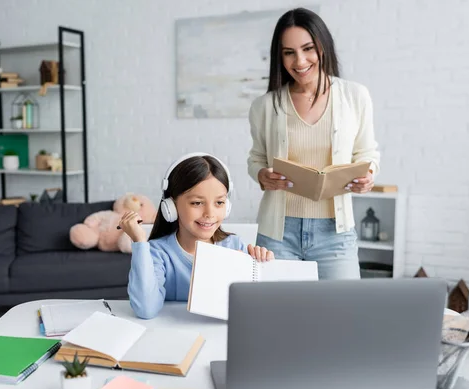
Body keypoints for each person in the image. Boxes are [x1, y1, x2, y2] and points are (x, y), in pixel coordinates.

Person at [247, 8, 380, 280]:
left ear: (323, 46)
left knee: (342, 315)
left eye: (308, 48)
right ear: (279, 56)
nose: (300, 61)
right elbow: (256, 158)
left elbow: (367, 152)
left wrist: (368, 175)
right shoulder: (264, 106)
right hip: (277, 235)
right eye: (289, 52)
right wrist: (261, 175)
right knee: (277, 314)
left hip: (335, 234)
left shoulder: (355, 96)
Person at [119, 153, 274, 319]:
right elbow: (146, 309)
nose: (210, 213)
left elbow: (255, 308)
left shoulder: (235, 247)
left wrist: (264, 268)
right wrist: (140, 243)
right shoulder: (158, 252)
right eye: (197, 203)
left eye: (219, 202)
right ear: (170, 206)